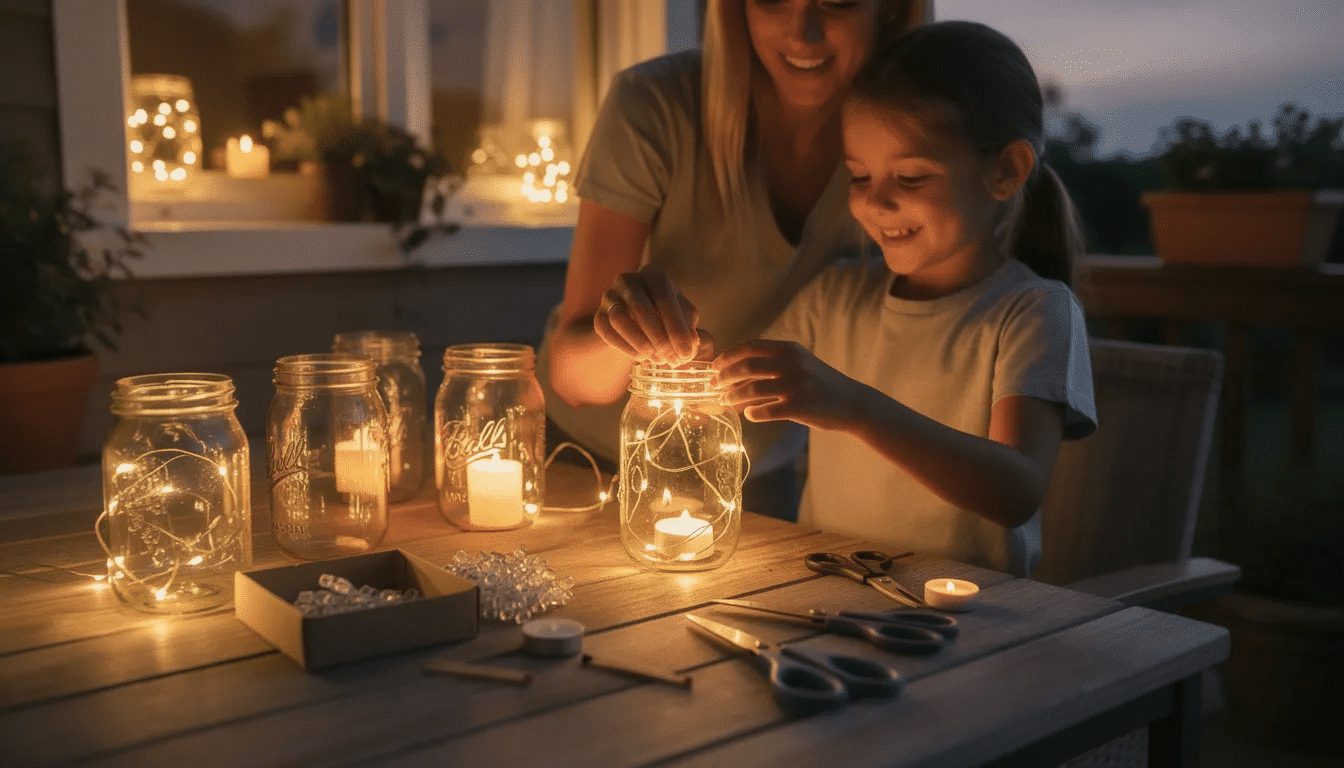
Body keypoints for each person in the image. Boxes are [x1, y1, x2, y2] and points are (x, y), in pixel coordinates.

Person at [599, 20, 1099, 577]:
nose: (876, 202)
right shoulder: (833, 299)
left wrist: (857, 410)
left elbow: (1016, 489)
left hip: (969, 613)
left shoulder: (1033, 313)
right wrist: (668, 343)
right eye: (859, 177)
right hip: (831, 592)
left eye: (911, 177)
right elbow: (727, 381)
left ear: (1006, 171)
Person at [541, 0, 931, 521]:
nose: (804, 32)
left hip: (751, 476)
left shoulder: (912, 144)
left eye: (837, 1)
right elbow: (572, 381)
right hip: (588, 465)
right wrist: (626, 337)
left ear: (891, 8)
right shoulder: (655, 106)